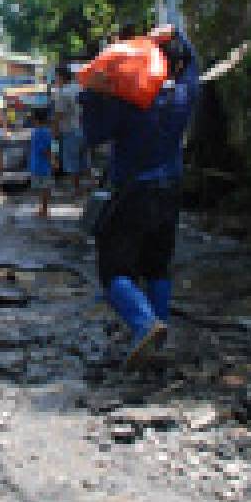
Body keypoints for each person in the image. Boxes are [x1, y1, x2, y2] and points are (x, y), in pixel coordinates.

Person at [81, 26, 200, 361]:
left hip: (132, 192)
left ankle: (144, 323)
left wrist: (93, 94)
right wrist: (175, 33)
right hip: (170, 191)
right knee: (157, 266)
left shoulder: (129, 104)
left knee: (114, 269)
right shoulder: (184, 96)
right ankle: (159, 334)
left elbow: (93, 136)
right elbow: (193, 64)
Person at [52, 65, 88, 194]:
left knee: (72, 160)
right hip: (83, 128)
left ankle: (76, 189)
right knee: (83, 159)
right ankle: (90, 186)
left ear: (61, 77)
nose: (55, 80)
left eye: (56, 77)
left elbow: (59, 114)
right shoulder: (79, 88)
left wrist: (54, 131)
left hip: (70, 130)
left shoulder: (63, 93)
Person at [28, 106, 54, 218]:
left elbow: (42, 149)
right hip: (44, 164)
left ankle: (43, 209)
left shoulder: (35, 133)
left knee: (42, 188)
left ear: (35, 120)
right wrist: (53, 159)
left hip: (37, 164)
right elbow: (48, 149)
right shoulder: (47, 132)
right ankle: (44, 208)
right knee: (45, 187)